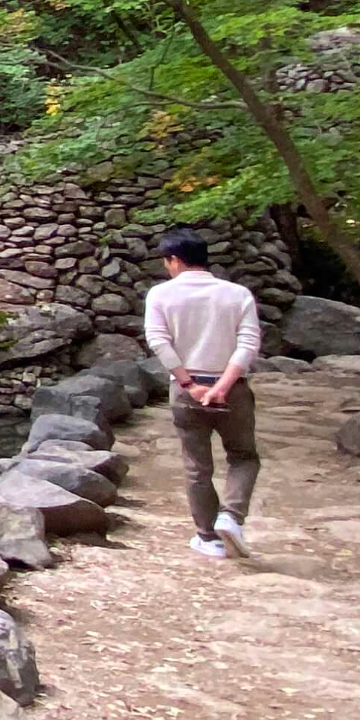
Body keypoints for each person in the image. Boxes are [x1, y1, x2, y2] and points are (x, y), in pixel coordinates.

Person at [143, 228, 262, 560]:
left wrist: (189, 385)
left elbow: (158, 341)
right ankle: (231, 516)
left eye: (166, 261)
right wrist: (223, 386)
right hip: (232, 390)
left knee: (197, 466)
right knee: (244, 456)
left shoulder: (160, 295)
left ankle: (208, 537)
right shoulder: (237, 294)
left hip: (186, 391)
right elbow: (249, 344)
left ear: (174, 260)